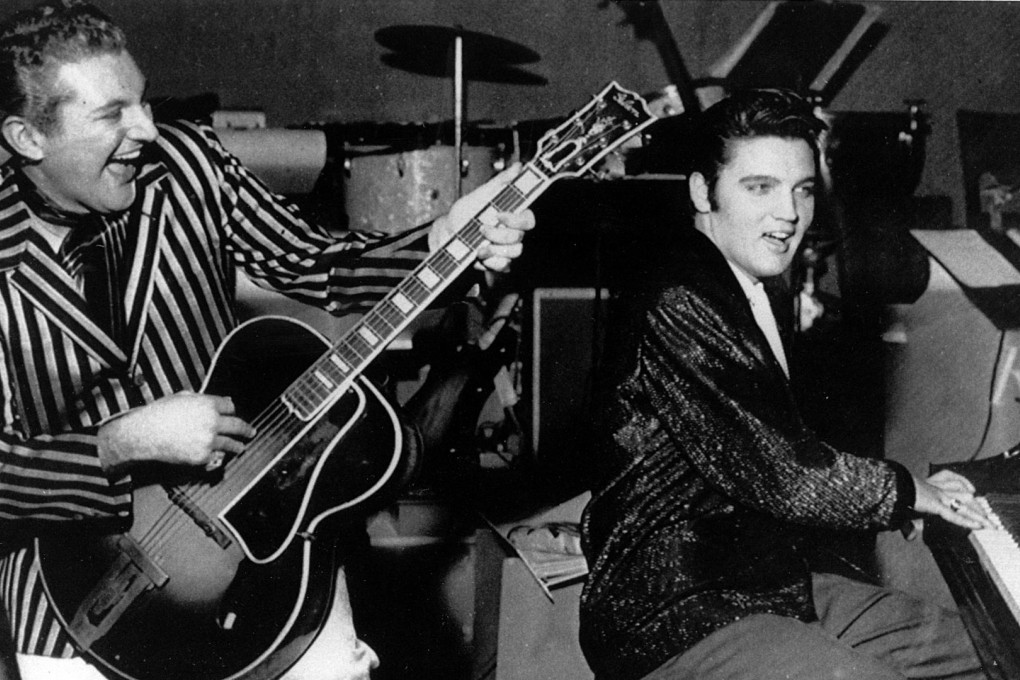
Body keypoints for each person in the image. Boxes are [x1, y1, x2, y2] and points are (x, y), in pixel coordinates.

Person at [0, 1, 534, 679]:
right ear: (27, 137)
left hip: (264, 561)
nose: (148, 128)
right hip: (75, 599)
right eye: (112, 115)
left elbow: (318, 264)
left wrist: (439, 243)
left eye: (142, 100)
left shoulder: (189, 165)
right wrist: (119, 444)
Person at [578, 88, 992, 680]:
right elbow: (783, 473)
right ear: (702, 191)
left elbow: (786, 453)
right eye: (759, 188)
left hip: (771, 587)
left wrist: (911, 490)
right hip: (678, 610)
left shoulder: (745, 286)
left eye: (801, 190)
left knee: (993, 648)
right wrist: (910, 493)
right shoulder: (680, 296)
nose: (790, 214)